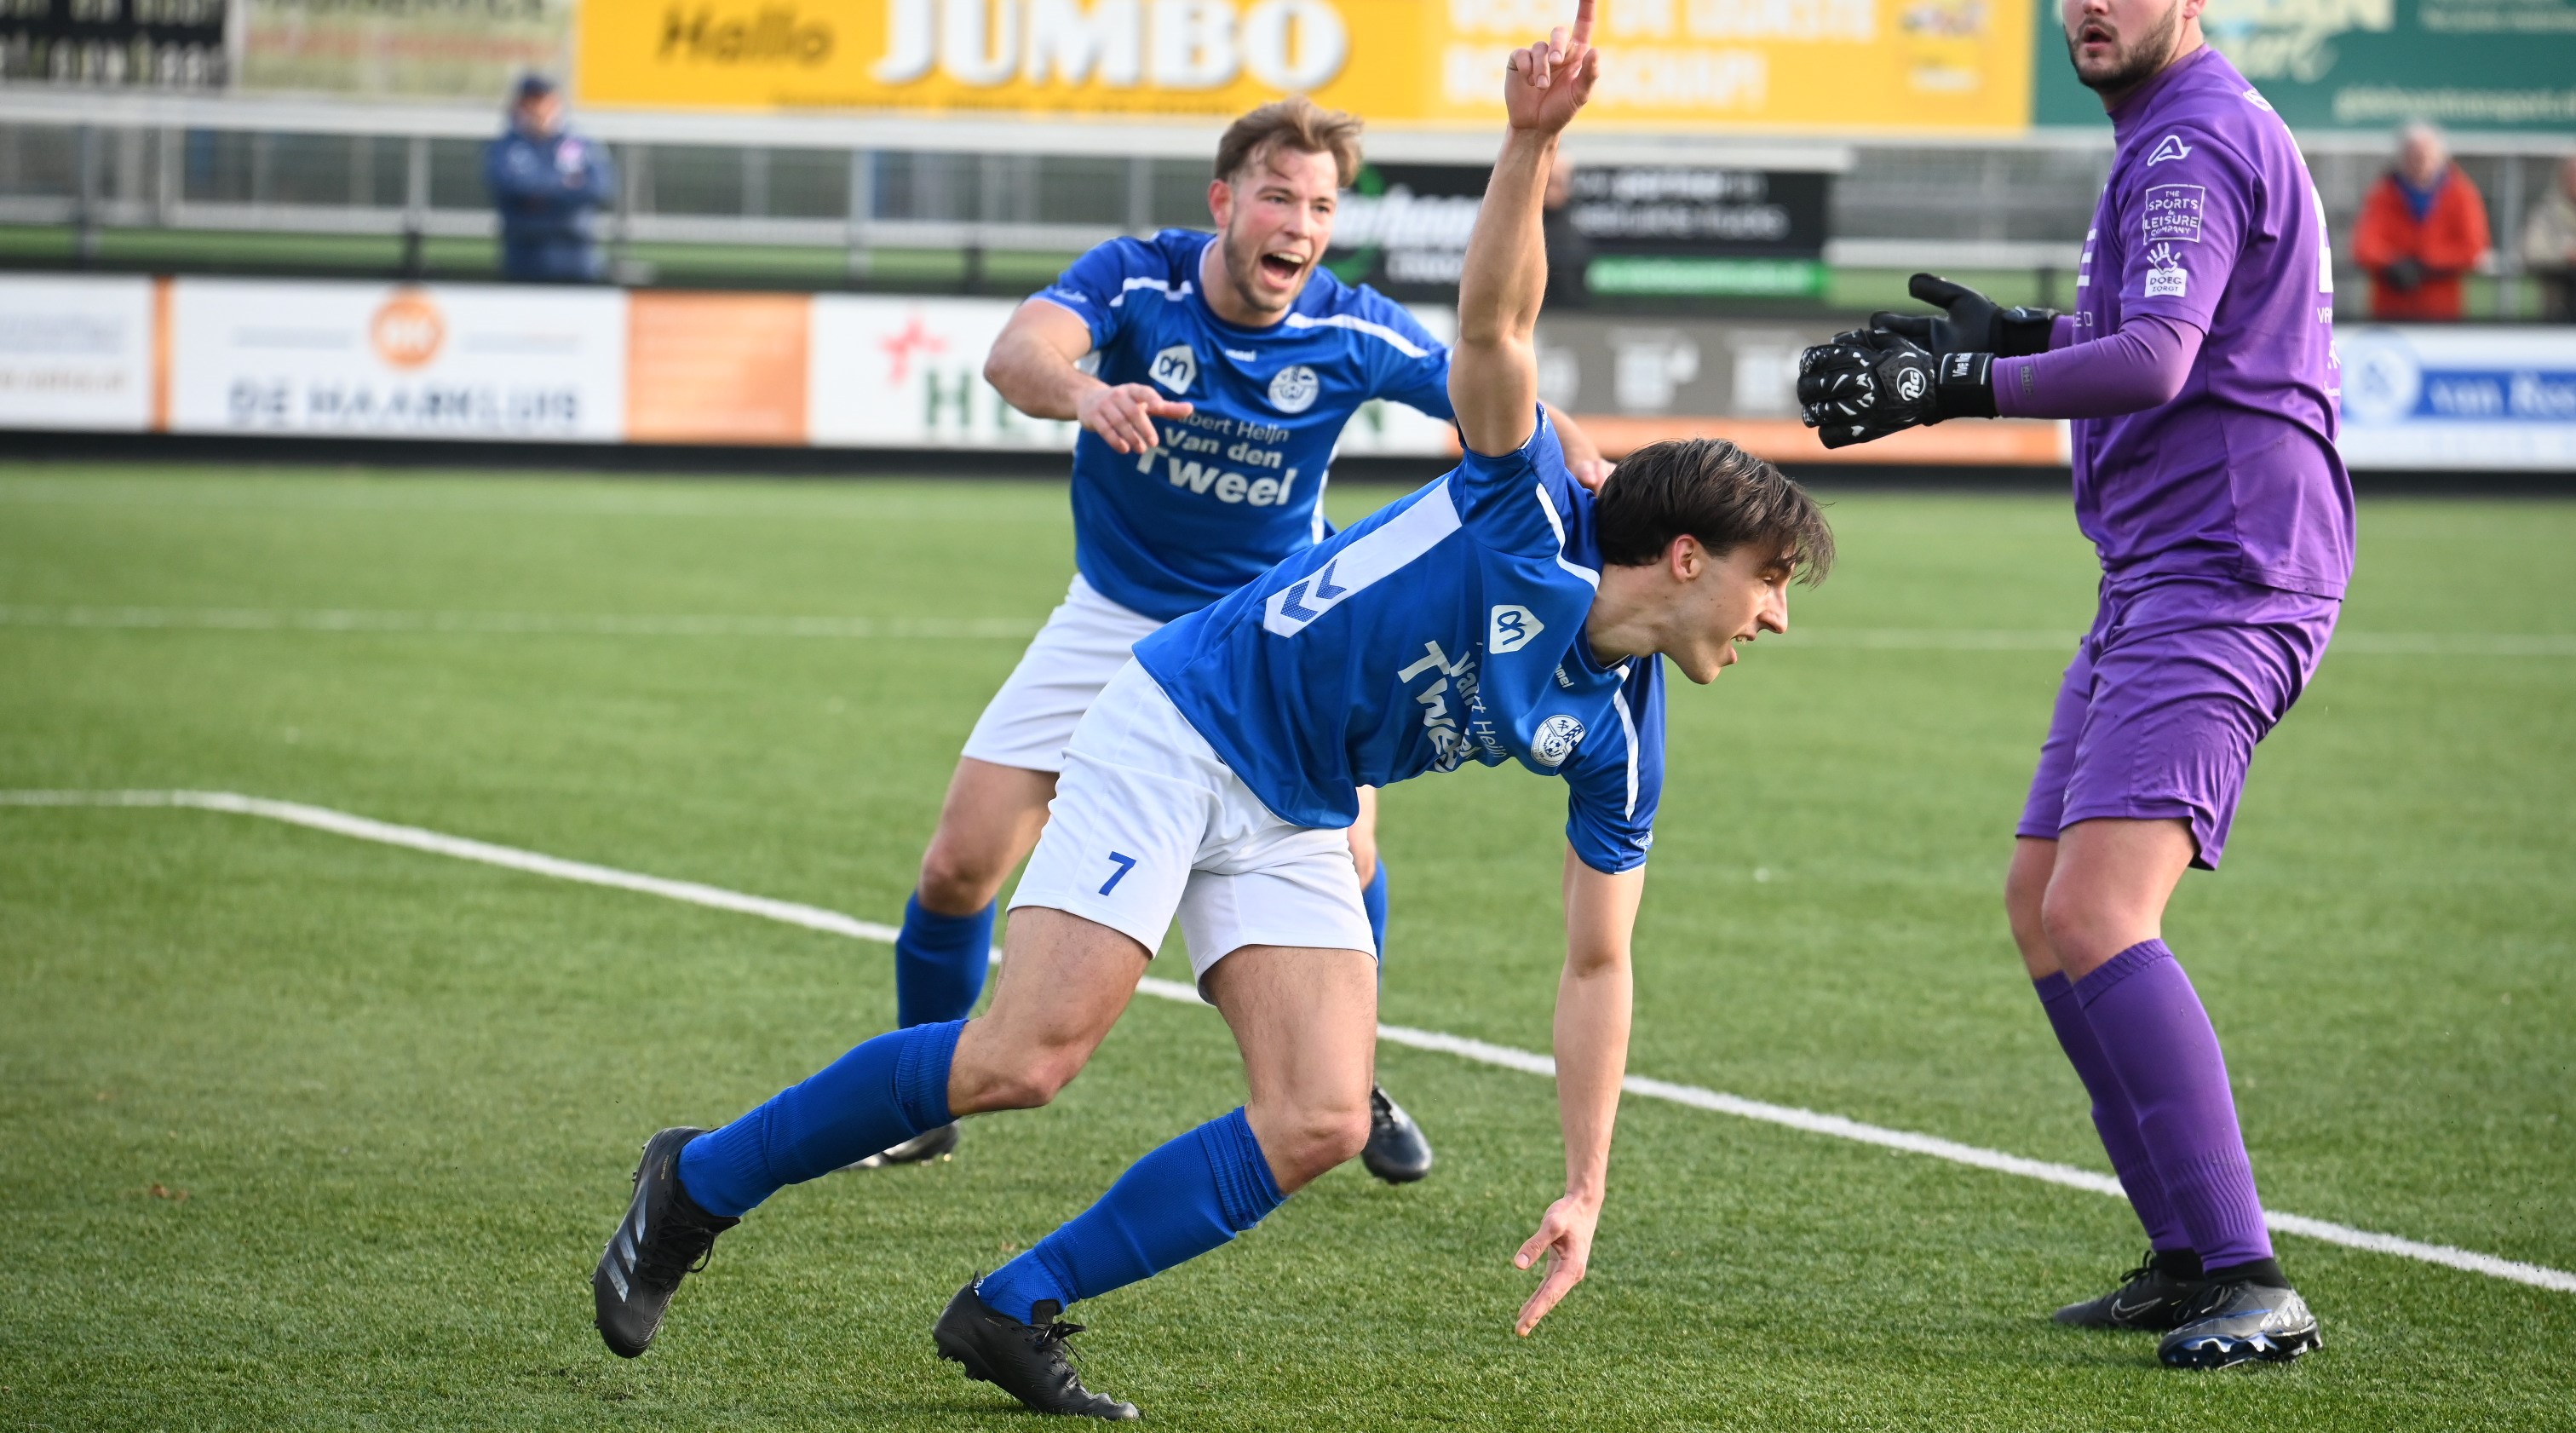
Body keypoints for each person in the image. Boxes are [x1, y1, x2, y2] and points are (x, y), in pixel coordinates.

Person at [592, 4, 1834, 1416]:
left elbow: (1599, 963)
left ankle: (1012, 1305)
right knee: (1024, 1056)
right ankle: (695, 1182)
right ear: (1688, 557)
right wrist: (1525, 143)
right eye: (1769, 581)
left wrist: (1586, 1184)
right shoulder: (1518, 511)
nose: (1775, 617)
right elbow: (1497, 325)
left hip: (1295, 795)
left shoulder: (1619, 738)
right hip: (1184, 714)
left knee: (1318, 1114)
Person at [860, 95, 1612, 1184]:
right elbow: (1017, 354)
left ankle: (1356, 1072)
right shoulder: (1138, 281)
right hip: (1114, 613)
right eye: (1276, 197)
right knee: (958, 863)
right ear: (1223, 201)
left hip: (1275, 632)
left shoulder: (1351, 325)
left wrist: (1597, 473)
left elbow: (1498, 390)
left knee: (1352, 855)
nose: (1299, 224)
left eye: (1321, 206)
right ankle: (916, 1101)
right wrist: (1085, 392)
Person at [1797, 0, 2348, 1373]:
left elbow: (2159, 363)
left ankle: (2252, 1277)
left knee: (2100, 911)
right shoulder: (2171, 130)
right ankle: (2186, 1255)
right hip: (2162, 568)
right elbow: (2179, 328)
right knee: (2043, 904)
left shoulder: (2191, 139)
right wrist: (2026, 329)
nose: (2092, 5)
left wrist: (1961, 381)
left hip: (2226, 566)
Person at [483, 74, 616, 284]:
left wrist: (541, 194)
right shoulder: (506, 147)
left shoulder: (580, 143)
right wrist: (566, 186)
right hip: (524, 257)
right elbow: (508, 187)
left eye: (542, 101)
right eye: (530, 102)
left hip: (575, 256)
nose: (537, 109)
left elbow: (599, 188)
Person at [2352, 122, 2490, 321]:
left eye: (2426, 154)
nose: (2420, 161)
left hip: (2442, 313)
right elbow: (2364, 247)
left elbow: (2473, 249)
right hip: (2391, 312)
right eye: (2413, 155)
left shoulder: (2462, 195)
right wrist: (2393, 264)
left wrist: (2427, 263)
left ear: (2440, 156)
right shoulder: (2382, 195)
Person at [2519, 154, 2576, 322]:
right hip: (2556, 308)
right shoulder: (2546, 212)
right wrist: (2565, 254)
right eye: (2572, 175)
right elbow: (2531, 250)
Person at [1543, 154, 1593, 308]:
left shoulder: (1573, 234)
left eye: (1556, 183)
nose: (1550, 190)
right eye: (1547, 181)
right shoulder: (1520, 227)